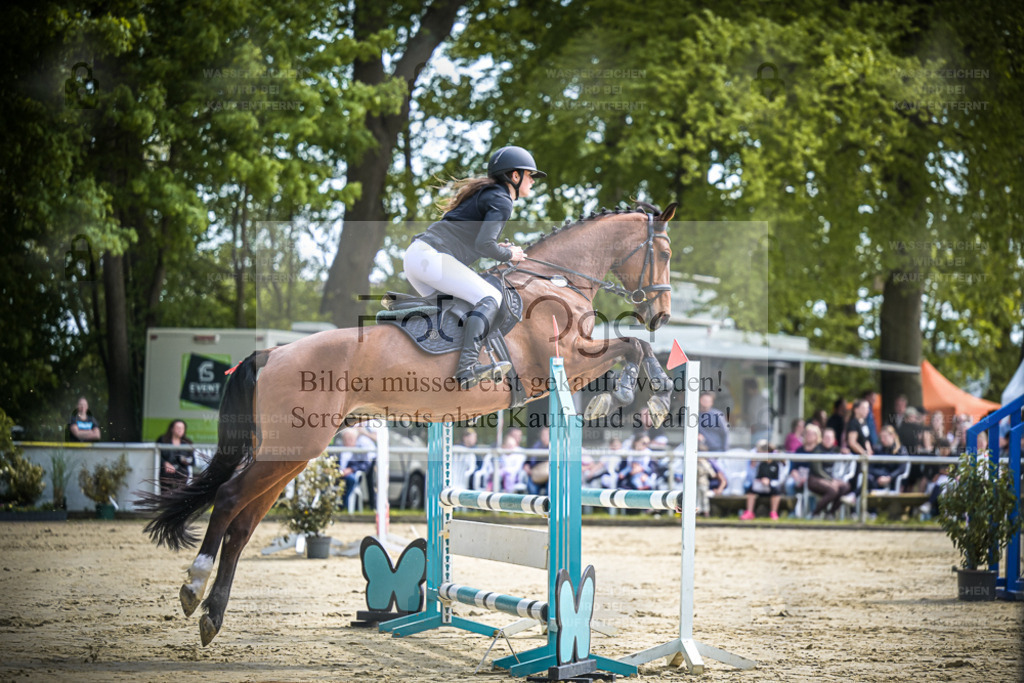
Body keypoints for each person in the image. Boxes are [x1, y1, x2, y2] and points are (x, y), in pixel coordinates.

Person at [402, 145, 544, 389]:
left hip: (418, 258)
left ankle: (438, 363)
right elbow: (484, 244)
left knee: (458, 309)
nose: (533, 181)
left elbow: (477, 242)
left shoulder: (489, 194)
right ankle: (467, 368)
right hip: (431, 257)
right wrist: (509, 254)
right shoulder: (502, 200)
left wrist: (497, 248)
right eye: (530, 175)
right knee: (491, 297)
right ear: (515, 175)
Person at [803, 425, 852, 517]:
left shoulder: (836, 450)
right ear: (822, 438)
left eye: (830, 438)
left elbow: (846, 462)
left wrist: (846, 453)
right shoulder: (817, 450)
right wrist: (831, 480)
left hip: (831, 479)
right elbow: (817, 470)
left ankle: (830, 513)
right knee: (833, 490)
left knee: (846, 487)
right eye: (826, 437)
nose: (828, 440)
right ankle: (815, 513)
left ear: (834, 439)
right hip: (815, 479)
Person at [741, 441, 783, 520]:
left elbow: (780, 478)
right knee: (750, 491)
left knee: (776, 491)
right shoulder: (759, 463)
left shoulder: (776, 463)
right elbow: (753, 476)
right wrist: (761, 479)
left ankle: (773, 512)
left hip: (771, 486)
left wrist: (769, 481)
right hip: (760, 486)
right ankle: (749, 512)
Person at [156, 419, 194, 492]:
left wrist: (186, 460)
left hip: (181, 474)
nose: (180, 430)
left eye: (182, 428)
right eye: (178, 428)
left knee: (180, 494)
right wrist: (165, 463)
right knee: (166, 494)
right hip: (166, 473)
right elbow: (157, 455)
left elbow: (192, 460)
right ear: (172, 429)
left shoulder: (187, 442)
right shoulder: (163, 440)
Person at [869, 425, 908, 491]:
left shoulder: (901, 450)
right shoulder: (879, 449)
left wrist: (889, 478)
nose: (882, 440)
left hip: (892, 481)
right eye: (881, 437)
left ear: (892, 436)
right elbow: (872, 467)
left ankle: (854, 494)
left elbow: (901, 469)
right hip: (877, 477)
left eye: (885, 437)